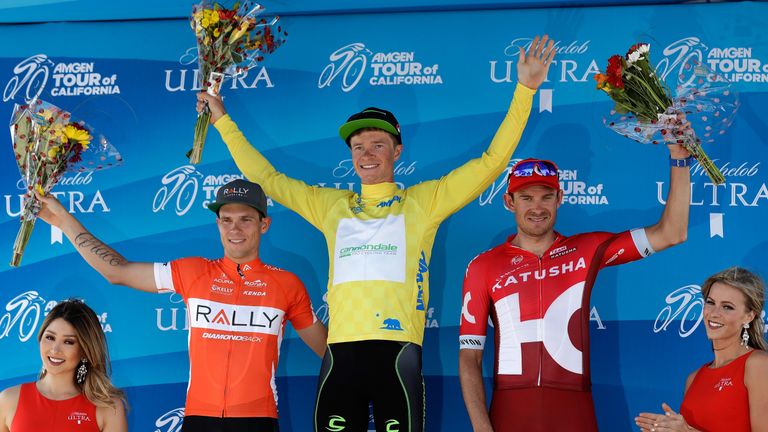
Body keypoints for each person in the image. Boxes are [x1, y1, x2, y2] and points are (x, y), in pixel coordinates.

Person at [198, 34, 556, 432]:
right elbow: (266, 177)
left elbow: (491, 163)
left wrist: (525, 90)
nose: (366, 154)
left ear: (397, 151)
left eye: (377, 145)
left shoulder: (424, 202)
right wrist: (221, 119)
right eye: (358, 146)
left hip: (397, 354)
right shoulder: (331, 206)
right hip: (340, 356)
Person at [33, 179, 327, 432]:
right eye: (226, 219)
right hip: (199, 418)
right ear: (218, 224)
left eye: (245, 219)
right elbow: (117, 271)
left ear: (264, 224)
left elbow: (329, 351)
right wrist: (62, 221)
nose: (234, 228)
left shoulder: (287, 284)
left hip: (258, 418)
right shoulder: (194, 272)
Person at [458, 150, 692, 431]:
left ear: (559, 199)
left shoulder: (587, 249)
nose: (537, 207)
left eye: (546, 197)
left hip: (573, 412)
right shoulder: (483, 266)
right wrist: (482, 428)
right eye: (526, 198)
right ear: (509, 202)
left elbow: (672, 232)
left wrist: (679, 160)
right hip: (510, 412)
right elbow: (469, 357)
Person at [635, 267, 768, 432]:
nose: (714, 313)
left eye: (727, 307)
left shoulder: (758, 365)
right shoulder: (693, 378)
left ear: (749, 316)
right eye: (710, 302)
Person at [0, 299, 127, 432]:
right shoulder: (8, 400)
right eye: (50, 337)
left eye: (68, 342)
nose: (55, 350)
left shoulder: (108, 408)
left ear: (85, 350)